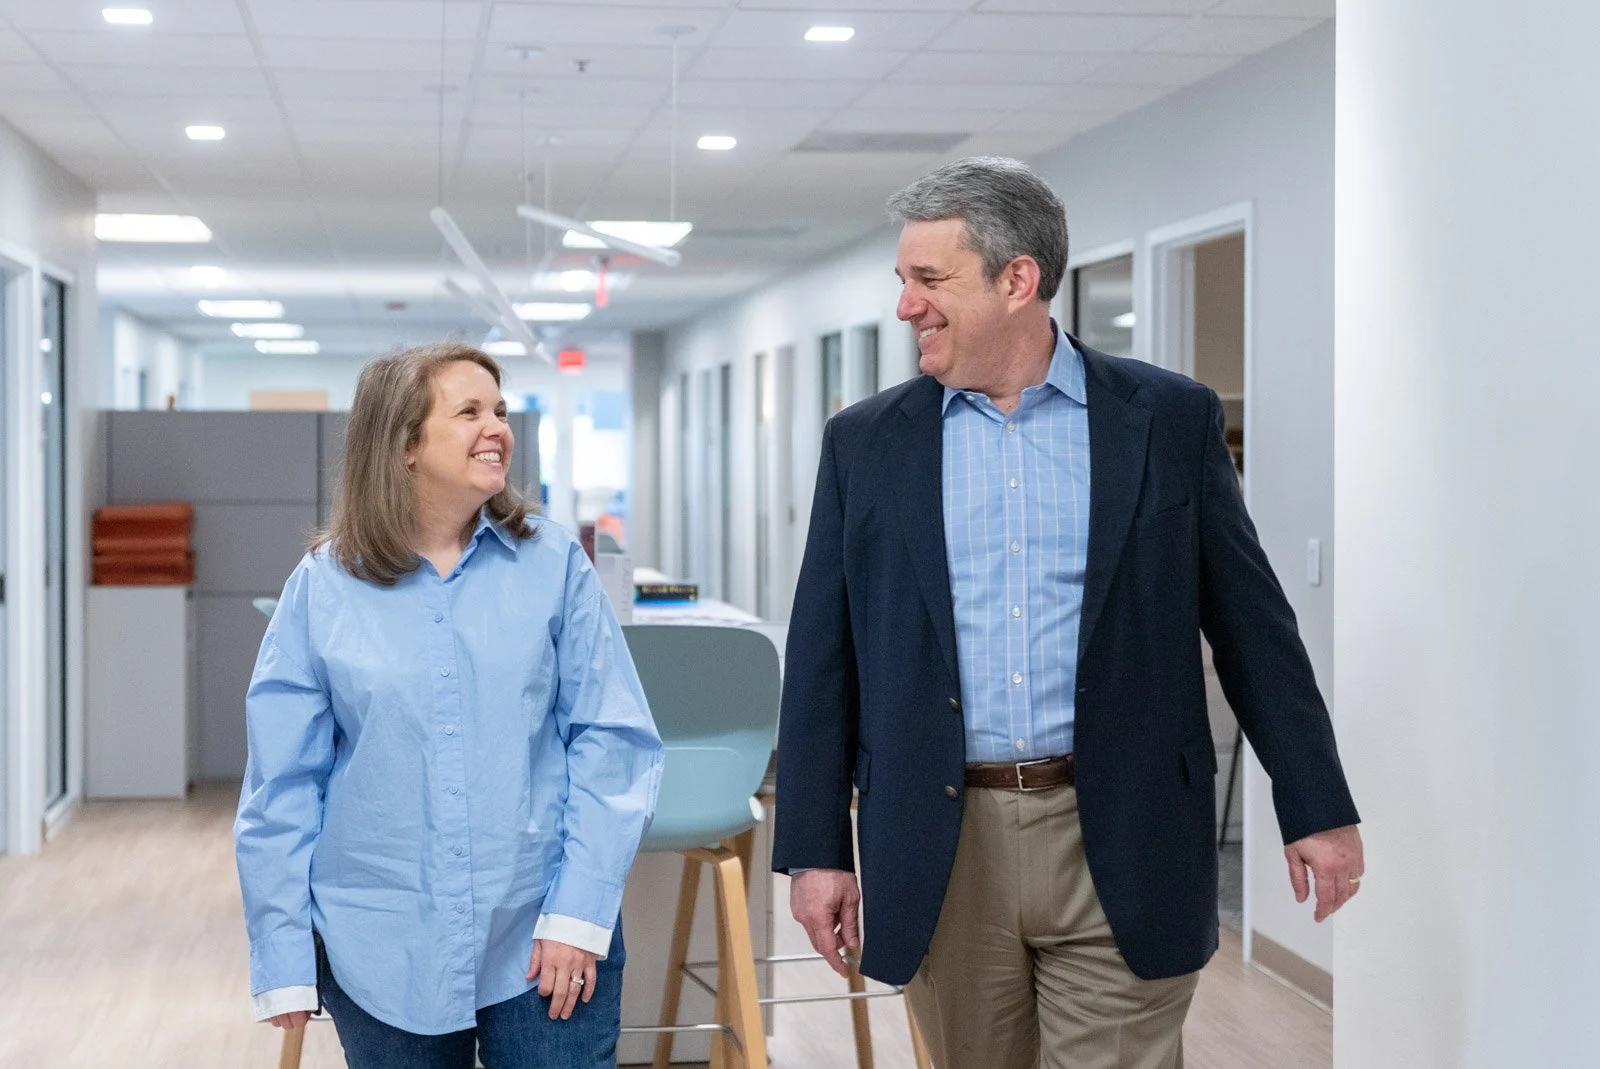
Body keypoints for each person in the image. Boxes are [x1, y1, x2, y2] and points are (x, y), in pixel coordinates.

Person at [773, 157, 1363, 1069]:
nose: (906, 307)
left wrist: (1314, 802)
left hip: (1121, 827)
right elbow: (823, 657)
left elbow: (1253, 625)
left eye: (929, 281)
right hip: (941, 838)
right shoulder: (867, 443)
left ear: (1018, 280)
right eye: (904, 281)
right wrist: (815, 848)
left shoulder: (1167, 418)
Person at [235, 343, 663, 1068]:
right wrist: (282, 950)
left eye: (499, 409)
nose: (497, 426)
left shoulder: (553, 564)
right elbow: (281, 786)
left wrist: (580, 912)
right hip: (381, 946)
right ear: (403, 444)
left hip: (541, 935)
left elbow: (612, 740)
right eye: (469, 411)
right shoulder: (323, 587)